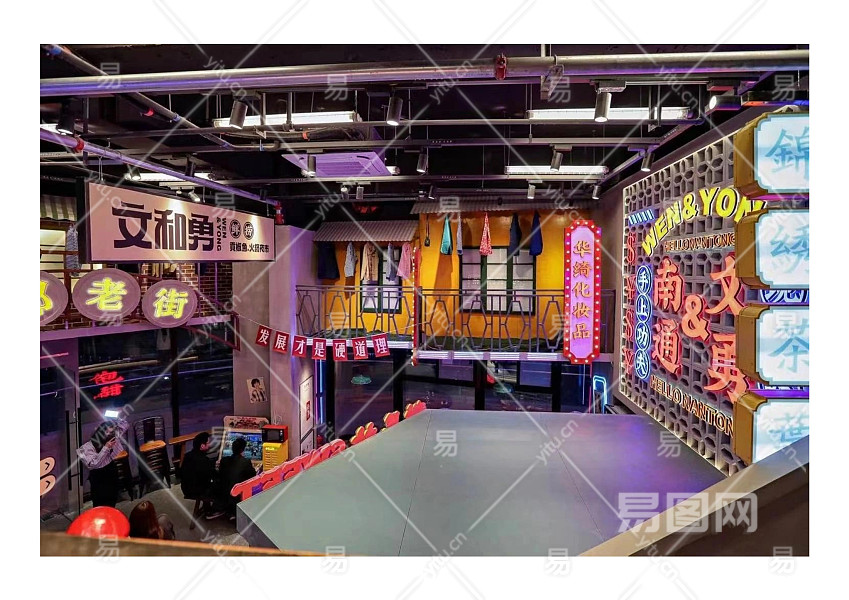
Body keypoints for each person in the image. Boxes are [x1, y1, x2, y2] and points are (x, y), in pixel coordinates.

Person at [76, 417, 129, 508]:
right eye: (106, 432)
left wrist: (115, 418)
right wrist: (106, 448)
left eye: (111, 432)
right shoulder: (86, 448)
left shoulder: (113, 438)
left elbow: (125, 425)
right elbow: (93, 464)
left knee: (112, 499)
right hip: (98, 475)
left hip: (111, 469)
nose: (108, 434)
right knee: (99, 503)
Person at [180, 432, 224, 520]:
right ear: (202, 446)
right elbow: (213, 475)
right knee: (221, 484)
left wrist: (212, 464)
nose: (209, 444)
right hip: (195, 491)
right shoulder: (203, 461)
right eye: (208, 443)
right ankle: (212, 511)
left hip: (185, 488)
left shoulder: (188, 455)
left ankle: (207, 507)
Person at [217, 437, 256, 519]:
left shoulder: (224, 460)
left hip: (223, 494)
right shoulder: (246, 462)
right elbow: (253, 476)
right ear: (243, 450)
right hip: (237, 495)